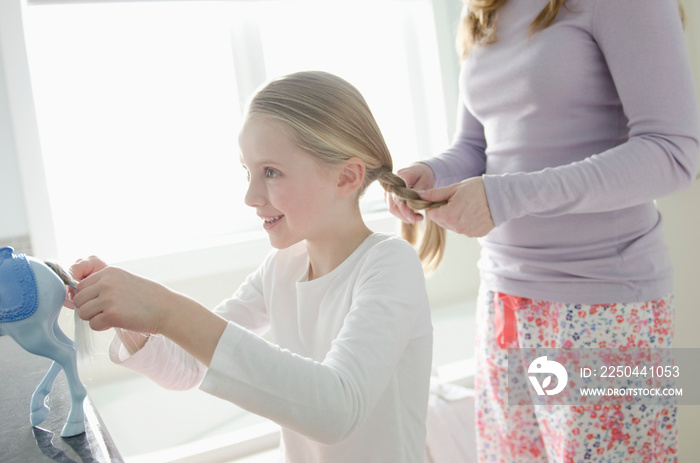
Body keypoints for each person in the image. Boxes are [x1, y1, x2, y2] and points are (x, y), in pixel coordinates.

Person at [69, 71, 438, 462]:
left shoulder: (389, 264)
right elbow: (187, 366)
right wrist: (130, 315)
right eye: (248, 172)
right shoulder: (281, 268)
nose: (250, 195)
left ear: (346, 177)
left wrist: (167, 309)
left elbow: (336, 410)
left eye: (271, 172)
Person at [387, 0, 699, 461]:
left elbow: (674, 154)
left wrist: (506, 196)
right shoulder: (484, 9)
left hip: (602, 309)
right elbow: (477, 145)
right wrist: (432, 173)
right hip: (504, 303)